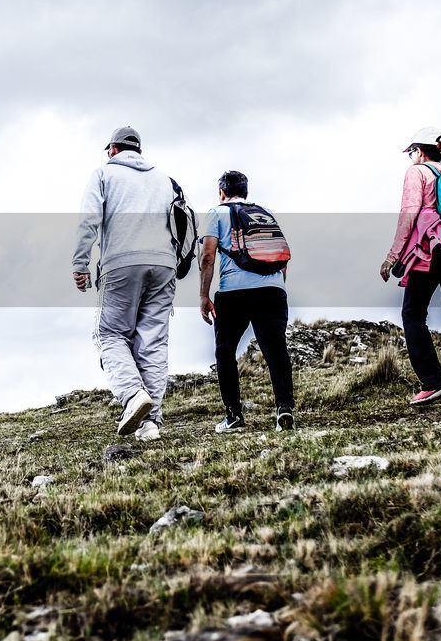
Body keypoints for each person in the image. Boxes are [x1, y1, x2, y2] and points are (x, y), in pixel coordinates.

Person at [72, 126, 181, 440]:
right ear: (139, 151)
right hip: (164, 266)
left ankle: (133, 395)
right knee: (153, 343)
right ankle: (150, 424)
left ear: (113, 150)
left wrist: (80, 264)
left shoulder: (104, 175)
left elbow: (89, 219)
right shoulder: (165, 180)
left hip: (121, 263)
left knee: (109, 334)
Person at [381, 127, 441, 406]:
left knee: (413, 314)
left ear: (420, 151)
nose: (410, 157)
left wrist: (393, 256)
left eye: (411, 152)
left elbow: (409, 214)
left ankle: (433, 383)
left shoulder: (418, 172)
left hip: (431, 254)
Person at [199, 171, 295, 433]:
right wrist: (277, 287)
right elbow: (279, 255)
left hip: (233, 293)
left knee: (225, 351)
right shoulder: (264, 213)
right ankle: (284, 409)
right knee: (276, 350)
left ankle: (233, 416)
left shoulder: (216, 213)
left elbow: (208, 256)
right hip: (273, 289)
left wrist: (204, 296)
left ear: (222, 192)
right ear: (246, 192)